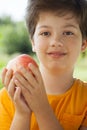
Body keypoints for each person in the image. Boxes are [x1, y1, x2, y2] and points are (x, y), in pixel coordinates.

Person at [0, 0, 87, 129]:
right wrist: (22, 114)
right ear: (33, 42)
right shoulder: (7, 98)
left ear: (83, 44)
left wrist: (41, 108)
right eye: (45, 33)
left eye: (68, 33)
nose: (56, 42)